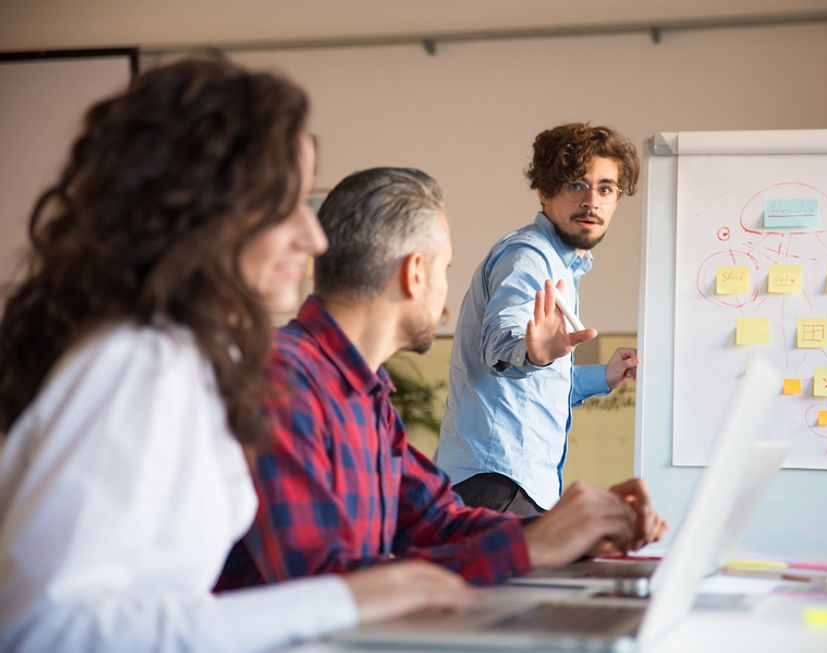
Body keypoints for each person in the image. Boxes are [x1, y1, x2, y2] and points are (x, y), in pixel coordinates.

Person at [0, 57, 471, 653]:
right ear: (206, 210)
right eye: (288, 204)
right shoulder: (139, 364)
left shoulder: (192, 360)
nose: (315, 237)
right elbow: (40, 631)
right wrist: (346, 600)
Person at [217, 167, 666, 591]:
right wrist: (533, 544)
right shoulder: (283, 378)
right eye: (445, 269)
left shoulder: (364, 396)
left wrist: (573, 529)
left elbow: (437, 521)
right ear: (415, 274)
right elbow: (321, 584)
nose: (447, 295)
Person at [434, 122, 643, 516]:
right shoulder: (529, 259)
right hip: (496, 485)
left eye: (605, 188)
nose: (592, 201)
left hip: (504, 483)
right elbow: (504, 344)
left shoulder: (560, 264)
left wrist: (605, 377)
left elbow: (539, 384)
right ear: (545, 191)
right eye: (576, 185)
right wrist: (533, 355)